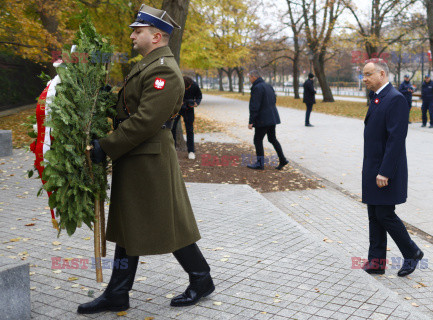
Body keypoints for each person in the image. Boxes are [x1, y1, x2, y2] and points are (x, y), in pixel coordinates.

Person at [81, 4, 214, 314]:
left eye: (137, 31)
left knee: (167, 224)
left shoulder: (163, 69)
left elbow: (146, 120)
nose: (132, 35)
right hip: (138, 156)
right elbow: (132, 106)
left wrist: (107, 146)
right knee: (132, 225)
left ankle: (201, 278)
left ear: (156, 36)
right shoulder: (149, 64)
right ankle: (118, 292)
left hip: (149, 158)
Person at [361, 59, 424, 277]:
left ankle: (412, 252)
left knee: (385, 214)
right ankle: (376, 262)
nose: (364, 78)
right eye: (364, 74)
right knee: (374, 214)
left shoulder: (395, 99)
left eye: (368, 74)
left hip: (385, 170)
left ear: (381, 74)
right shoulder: (378, 97)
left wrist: (385, 171)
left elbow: (396, 140)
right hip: (373, 167)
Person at [247, 70, 289, 170]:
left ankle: (260, 164)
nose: (249, 79)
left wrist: (251, 121)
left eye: (250, 77)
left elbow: (254, 105)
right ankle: (282, 159)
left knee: (257, 140)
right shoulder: (268, 85)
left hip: (263, 119)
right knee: (272, 139)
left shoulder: (257, 87)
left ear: (254, 77)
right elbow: (274, 99)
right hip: (272, 117)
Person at [171, 76, 202, 159]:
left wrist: (196, 103)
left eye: (188, 88)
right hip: (177, 109)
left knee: (189, 130)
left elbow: (199, 96)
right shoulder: (177, 85)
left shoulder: (195, 86)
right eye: (185, 88)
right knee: (172, 127)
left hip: (189, 109)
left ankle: (191, 151)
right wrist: (178, 102)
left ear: (191, 84)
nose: (186, 89)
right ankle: (172, 150)